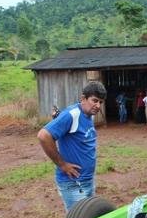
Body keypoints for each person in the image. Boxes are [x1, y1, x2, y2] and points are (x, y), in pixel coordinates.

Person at [37, 81, 107, 211]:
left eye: (101, 102)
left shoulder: (88, 115)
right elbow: (43, 135)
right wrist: (62, 164)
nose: (98, 106)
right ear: (83, 98)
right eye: (95, 100)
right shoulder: (72, 114)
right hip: (73, 183)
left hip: (87, 180)